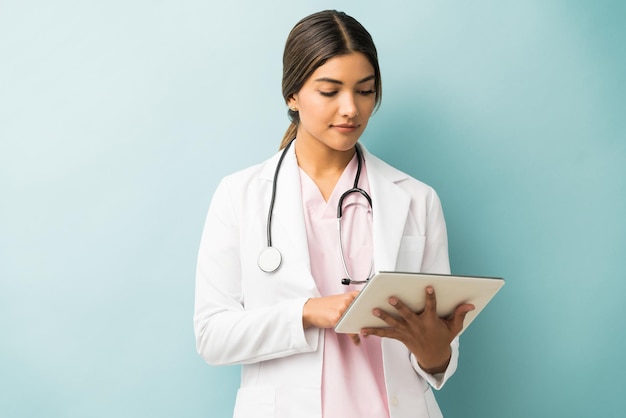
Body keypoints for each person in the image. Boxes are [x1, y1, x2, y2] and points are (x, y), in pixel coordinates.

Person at [194, 9, 474, 418]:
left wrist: (435, 355)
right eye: (330, 91)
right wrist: (306, 312)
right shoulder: (240, 196)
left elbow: (437, 362)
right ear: (293, 95)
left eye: (364, 91)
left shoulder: (416, 199)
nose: (351, 109)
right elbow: (212, 336)